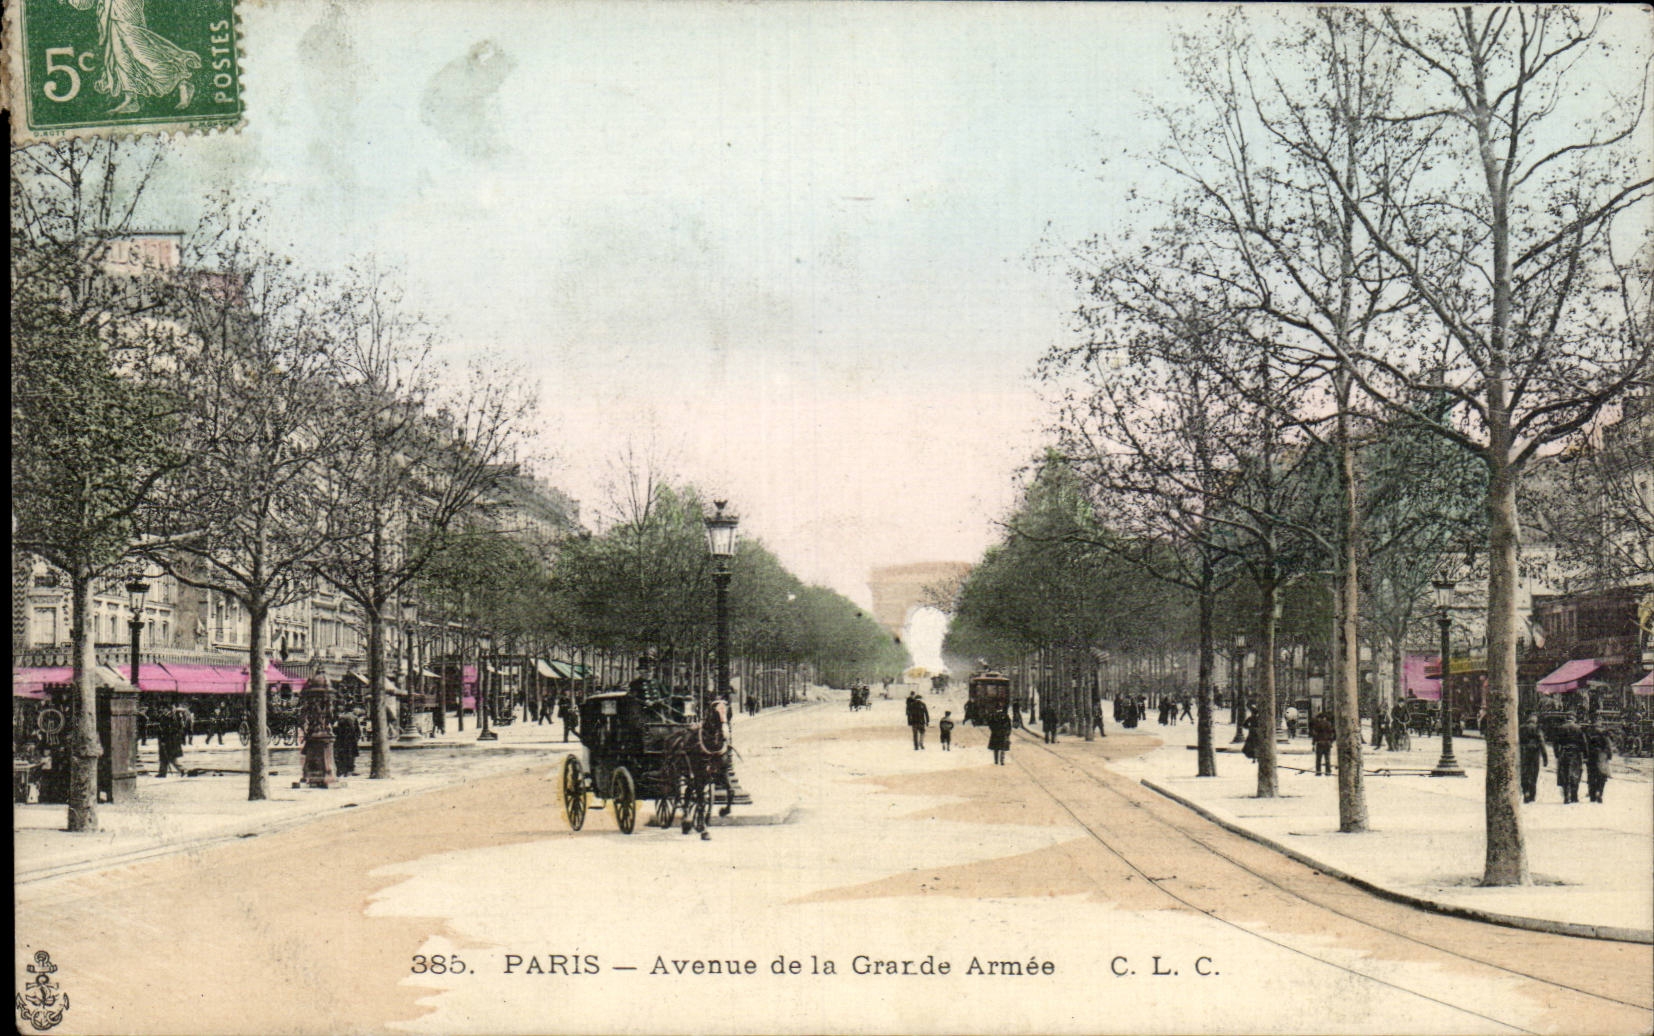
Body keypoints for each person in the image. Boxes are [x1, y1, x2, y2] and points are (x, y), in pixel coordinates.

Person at [1554, 717, 1586, 804]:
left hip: (1564, 752)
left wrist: (1557, 754)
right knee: (1576, 774)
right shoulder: (1578, 728)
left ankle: (1566, 797)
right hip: (1576, 753)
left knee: (1564, 774)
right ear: (1574, 719)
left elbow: (1556, 742)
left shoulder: (1561, 728)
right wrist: (1585, 755)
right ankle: (1574, 796)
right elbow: (1583, 742)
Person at [1518, 714, 1548, 803]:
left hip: (1523, 753)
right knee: (1533, 774)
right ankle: (1532, 795)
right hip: (1534, 754)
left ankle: (1525, 791)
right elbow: (1542, 743)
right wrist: (1545, 757)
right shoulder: (1537, 729)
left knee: (1524, 773)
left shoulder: (1521, 728)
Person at [1583, 721, 1613, 803]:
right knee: (1602, 776)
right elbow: (1608, 745)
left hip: (1591, 756)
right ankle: (1600, 793)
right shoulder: (1603, 733)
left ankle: (1592, 795)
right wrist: (1610, 755)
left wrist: (1585, 756)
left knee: (1591, 776)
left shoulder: (1589, 733)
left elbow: (1585, 745)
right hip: (1601, 756)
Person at [333, 708, 360, 778]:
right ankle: (349, 770)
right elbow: (357, 731)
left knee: (341, 755)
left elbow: (335, 730)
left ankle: (341, 770)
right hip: (351, 739)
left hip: (341, 739)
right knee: (350, 755)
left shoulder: (340, 718)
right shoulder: (354, 717)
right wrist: (356, 738)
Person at [1310, 711, 1335, 776]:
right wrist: (1331, 741)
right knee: (1327, 758)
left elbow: (1315, 734)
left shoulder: (1317, 724)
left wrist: (1313, 743)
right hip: (1327, 743)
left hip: (1320, 743)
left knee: (1318, 759)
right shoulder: (1329, 724)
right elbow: (1333, 734)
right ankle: (1328, 772)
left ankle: (1318, 772)